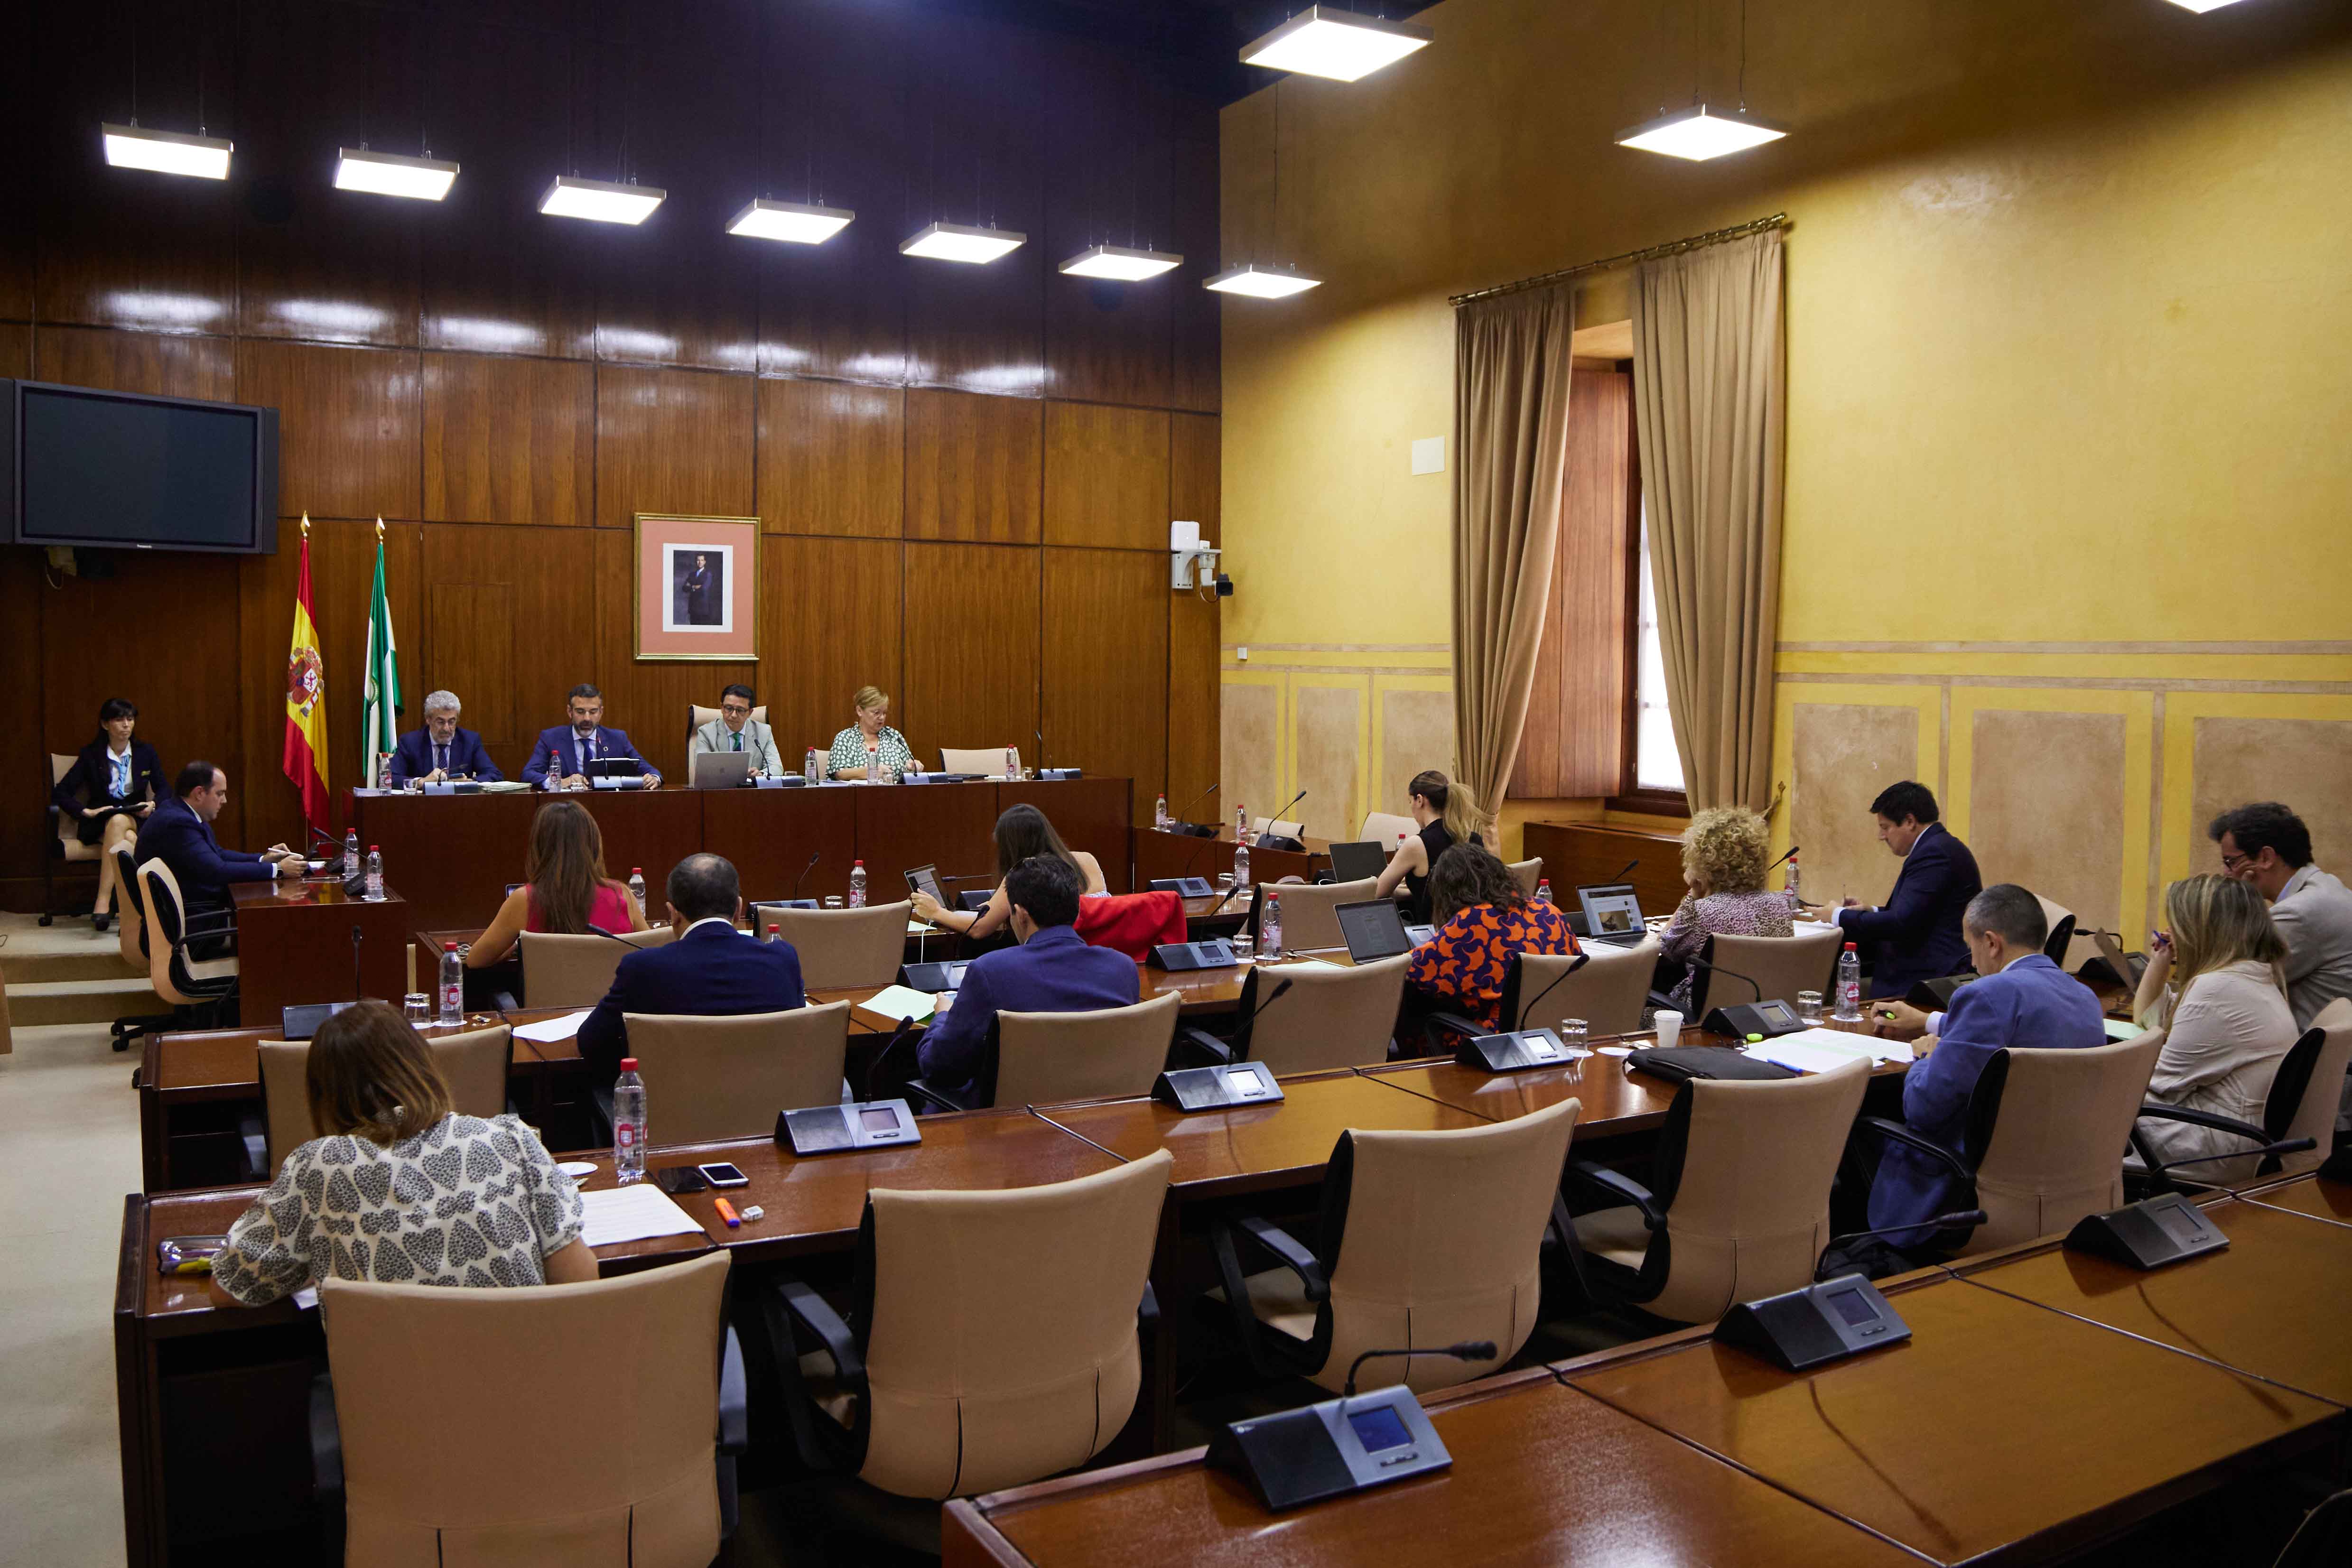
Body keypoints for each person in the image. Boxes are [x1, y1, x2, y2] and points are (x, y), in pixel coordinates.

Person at [208, 1001, 594, 1306]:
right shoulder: (510, 1137)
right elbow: (580, 1280)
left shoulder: (319, 1167)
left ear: (323, 1097)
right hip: (525, 1392)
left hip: (392, 1402)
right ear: (423, 1065)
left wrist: (314, 1258)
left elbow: (227, 1286)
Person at [1864, 884, 2107, 1251]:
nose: (1972, 961)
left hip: (1970, 1183)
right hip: (2060, 1177)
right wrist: (1929, 1021)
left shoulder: (1985, 994)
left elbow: (1924, 1108)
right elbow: (2010, 1027)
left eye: (1971, 947)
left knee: (1862, 1123)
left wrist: (1925, 1057)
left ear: (1991, 942)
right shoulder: (2083, 997)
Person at [915, 855, 1141, 1104]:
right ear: (1076, 908)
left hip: (1009, 1125)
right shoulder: (1123, 969)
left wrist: (943, 1017)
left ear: (1021, 915)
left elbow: (942, 1069)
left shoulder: (990, 972)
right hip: (1102, 1119)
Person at [2131, 874, 2298, 1186]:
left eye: (2177, 925)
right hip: (2237, 1136)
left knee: (2071, 1125)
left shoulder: (2216, 990)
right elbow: (2146, 1019)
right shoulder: (2247, 975)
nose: (2172, 933)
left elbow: (2155, 1087)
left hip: (2211, 1147)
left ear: (2200, 930)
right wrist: (2160, 960)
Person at [576, 854, 805, 1080]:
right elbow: (799, 1038)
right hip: (768, 1110)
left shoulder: (642, 969)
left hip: (669, 1114)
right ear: (738, 908)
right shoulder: (783, 959)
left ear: (673, 913)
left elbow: (590, 1044)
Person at [1799, 780, 1980, 1000]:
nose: (1881, 836)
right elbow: (1920, 914)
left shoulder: (1934, 854)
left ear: (1910, 821)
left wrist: (1837, 915)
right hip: (1929, 972)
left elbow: (1901, 924)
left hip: (1926, 979)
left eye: (1885, 827)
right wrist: (1872, 911)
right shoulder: (1939, 846)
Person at [1405, 843, 1580, 1035]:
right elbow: (1579, 965)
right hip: (1555, 1033)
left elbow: (1410, 971)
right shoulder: (1549, 911)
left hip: (1494, 1043)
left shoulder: (1471, 922)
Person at [2207, 802, 2352, 1031]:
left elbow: (2226, 986)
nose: (2226, 874)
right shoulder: (2326, 885)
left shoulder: (2299, 913)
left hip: (2314, 1061)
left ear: (2266, 857)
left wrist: (2238, 905)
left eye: (2230, 862)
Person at [133, 762, 307, 950]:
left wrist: (263, 859)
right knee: (268, 936)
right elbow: (217, 870)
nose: (224, 800)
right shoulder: (178, 823)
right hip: (189, 928)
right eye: (220, 793)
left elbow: (217, 854)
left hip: (188, 914)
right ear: (199, 793)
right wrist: (279, 870)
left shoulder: (180, 812)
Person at [466, 800, 651, 969]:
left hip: (551, 1007)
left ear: (539, 846)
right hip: (615, 1005)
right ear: (594, 844)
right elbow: (652, 953)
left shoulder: (524, 900)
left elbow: (475, 960)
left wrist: (517, 946)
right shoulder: (623, 895)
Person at [1655, 806, 1796, 1013]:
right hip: (1768, 1012)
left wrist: (1693, 891)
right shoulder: (1780, 903)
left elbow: (1663, 949)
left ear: (1702, 862)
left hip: (1707, 1017)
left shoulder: (1700, 911)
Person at [907, 804, 1107, 938]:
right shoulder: (1087, 859)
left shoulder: (1025, 873)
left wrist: (937, 912)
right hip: (1101, 953)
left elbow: (979, 928)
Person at [52, 696, 164, 931]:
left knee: (122, 822)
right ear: (105, 725)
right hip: (101, 822)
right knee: (127, 837)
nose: (126, 725)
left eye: (130, 719)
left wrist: (153, 805)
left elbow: (165, 789)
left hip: (139, 818)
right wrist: (86, 811)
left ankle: (103, 901)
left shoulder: (146, 752)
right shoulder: (91, 755)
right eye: (119, 720)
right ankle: (128, 908)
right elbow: (61, 792)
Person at [1371, 769, 1487, 924]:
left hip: (1433, 937)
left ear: (1420, 800)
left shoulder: (1417, 844)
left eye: (1410, 801)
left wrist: (1404, 890)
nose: (1412, 808)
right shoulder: (1474, 839)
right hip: (1475, 931)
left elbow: (1378, 893)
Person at [523, 685, 660, 790]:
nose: (587, 718)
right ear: (570, 712)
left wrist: (654, 779)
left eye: (593, 712)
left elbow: (650, 770)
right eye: (580, 712)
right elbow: (528, 775)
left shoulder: (618, 738)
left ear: (601, 712)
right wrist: (559, 782)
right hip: (567, 809)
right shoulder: (551, 738)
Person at [386, 690, 502, 787]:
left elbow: (494, 774)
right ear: (428, 719)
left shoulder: (469, 741)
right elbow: (391, 779)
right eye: (441, 722)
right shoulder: (410, 742)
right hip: (421, 807)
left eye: (452, 722)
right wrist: (421, 782)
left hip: (460, 806)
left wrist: (469, 783)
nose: (447, 728)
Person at [688, 683, 784, 778]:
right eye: (729, 708)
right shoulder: (706, 733)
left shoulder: (763, 732)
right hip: (720, 790)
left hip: (752, 791)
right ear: (722, 707)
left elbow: (776, 767)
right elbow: (703, 770)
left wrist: (761, 775)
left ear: (750, 712)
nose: (734, 715)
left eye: (740, 710)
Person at [828, 685, 915, 780]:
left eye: (884, 713)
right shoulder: (845, 738)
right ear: (860, 711)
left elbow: (909, 768)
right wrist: (872, 771)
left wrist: (913, 767)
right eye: (876, 713)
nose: (882, 717)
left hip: (896, 794)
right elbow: (840, 774)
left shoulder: (894, 736)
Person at [682, 553, 716, 625]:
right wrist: (695, 587)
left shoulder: (708, 574)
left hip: (703, 609)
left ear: (705, 562)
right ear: (696, 562)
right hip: (693, 608)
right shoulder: (692, 575)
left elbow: (704, 589)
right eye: (698, 560)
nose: (700, 562)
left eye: (702, 560)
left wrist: (691, 587)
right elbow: (685, 588)